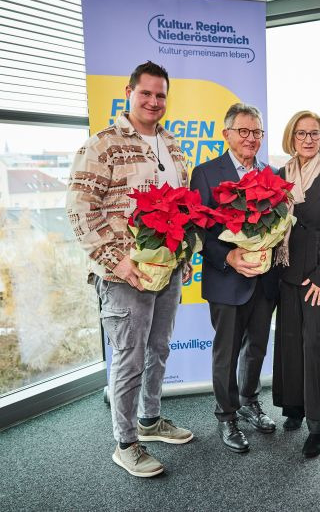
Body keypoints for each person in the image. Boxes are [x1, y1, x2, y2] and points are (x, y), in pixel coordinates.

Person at [66, 61, 193, 478]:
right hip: (124, 275)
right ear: (129, 92)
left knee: (159, 348)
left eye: (160, 95)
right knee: (129, 358)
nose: (154, 101)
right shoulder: (102, 145)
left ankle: (150, 420)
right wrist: (118, 261)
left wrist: (183, 257)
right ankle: (126, 444)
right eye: (146, 93)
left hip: (166, 271)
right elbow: (80, 212)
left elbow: (182, 209)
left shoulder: (172, 145)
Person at [189, 103, 279, 454]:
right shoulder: (206, 173)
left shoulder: (271, 174)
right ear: (226, 134)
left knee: (257, 346)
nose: (251, 138)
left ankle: (249, 401)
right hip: (226, 278)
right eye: (243, 131)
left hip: (264, 279)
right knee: (226, 351)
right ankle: (226, 415)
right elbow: (199, 231)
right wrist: (228, 256)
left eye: (257, 132)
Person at [272, 111, 320, 458]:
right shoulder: (281, 175)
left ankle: (319, 423)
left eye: (314, 133)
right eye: (301, 133)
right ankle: (294, 407)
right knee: (289, 339)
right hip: (286, 267)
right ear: (292, 137)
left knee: (315, 345)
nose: (308, 139)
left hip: (319, 270)